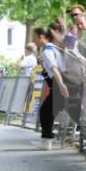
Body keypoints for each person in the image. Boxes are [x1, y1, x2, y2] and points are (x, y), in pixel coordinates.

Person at [33, 22, 70, 150]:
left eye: (35, 38)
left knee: (45, 112)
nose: (34, 41)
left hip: (60, 84)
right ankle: (47, 138)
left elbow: (55, 70)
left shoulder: (48, 50)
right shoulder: (55, 49)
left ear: (41, 37)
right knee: (48, 112)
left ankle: (47, 141)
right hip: (62, 84)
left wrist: (61, 85)